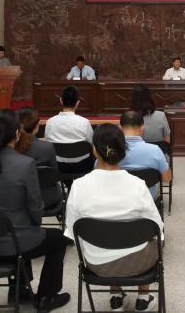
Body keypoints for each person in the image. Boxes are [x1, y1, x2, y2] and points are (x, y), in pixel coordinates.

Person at [0, 109, 70, 311]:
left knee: (21, 230)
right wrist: (34, 225)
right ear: (17, 133)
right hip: (18, 241)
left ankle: (19, 288)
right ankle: (46, 296)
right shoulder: (25, 164)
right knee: (58, 239)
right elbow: (35, 207)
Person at [65, 124, 164, 312]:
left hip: (97, 264)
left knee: (106, 238)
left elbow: (72, 230)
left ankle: (116, 297)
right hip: (139, 263)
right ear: (123, 152)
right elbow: (156, 227)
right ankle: (143, 298)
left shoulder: (78, 186)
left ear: (94, 150)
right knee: (153, 236)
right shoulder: (137, 185)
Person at [119, 111, 172, 198]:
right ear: (142, 128)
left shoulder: (110, 150)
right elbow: (167, 178)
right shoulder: (155, 150)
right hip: (147, 197)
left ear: (120, 128)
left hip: (119, 195)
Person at [16, 107, 62, 208]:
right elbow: (54, 176)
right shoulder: (47, 147)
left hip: (16, 198)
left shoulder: (9, 148)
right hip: (46, 198)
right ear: (37, 126)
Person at [44, 86, 94, 174]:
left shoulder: (50, 122)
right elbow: (91, 144)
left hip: (58, 166)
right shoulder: (84, 122)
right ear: (77, 103)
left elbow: (48, 143)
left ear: (61, 100)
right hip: (82, 166)